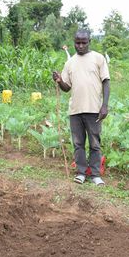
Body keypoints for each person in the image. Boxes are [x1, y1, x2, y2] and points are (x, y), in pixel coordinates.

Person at [52, 29, 110, 186]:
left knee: (95, 143)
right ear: (74, 42)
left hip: (94, 109)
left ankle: (96, 174)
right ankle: (81, 172)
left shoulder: (98, 58)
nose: (80, 45)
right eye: (77, 42)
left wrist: (104, 105)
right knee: (78, 144)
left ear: (89, 41)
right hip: (75, 111)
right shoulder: (70, 63)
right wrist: (59, 80)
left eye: (84, 42)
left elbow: (106, 81)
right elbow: (66, 88)